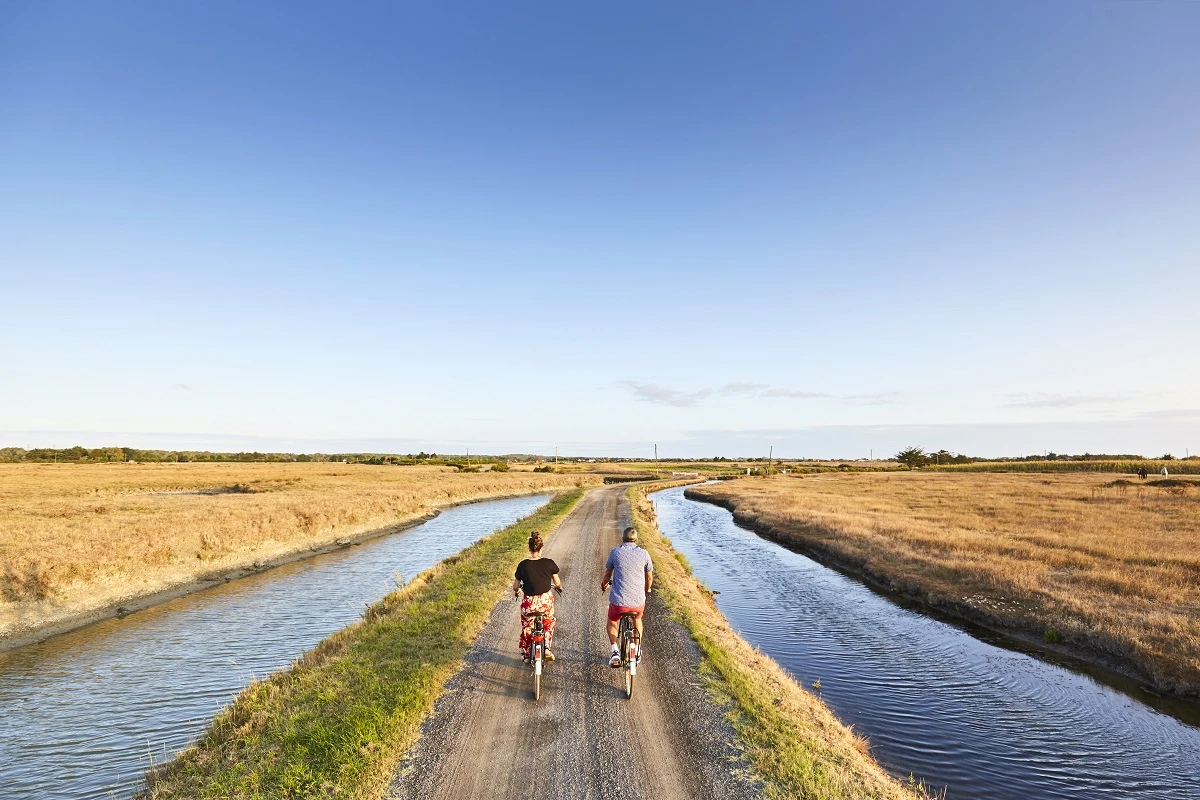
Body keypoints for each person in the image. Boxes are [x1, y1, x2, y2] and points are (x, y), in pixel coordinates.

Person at [600, 525, 654, 667]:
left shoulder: (615, 552)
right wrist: (647, 589)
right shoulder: (644, 554)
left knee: (612, 621)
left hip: (619, 603)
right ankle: (636, 649)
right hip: (637, 603)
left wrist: (604, 584)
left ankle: (615, 651)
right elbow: (649, 577)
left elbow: (607, 574)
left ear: (622, 539)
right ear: (636, 540)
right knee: (638, 619)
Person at [512, 531, 562, 663]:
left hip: (529, 603)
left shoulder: (523, 565)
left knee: (527, 626)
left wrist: (517, 591)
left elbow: (515, 586)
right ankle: (547, 649)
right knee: (549, 622)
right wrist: (558, 587)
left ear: (529, 548)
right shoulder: (549, 563)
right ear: (542, 547)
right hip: (545, 603)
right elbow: (557, 583)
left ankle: (527, 655)